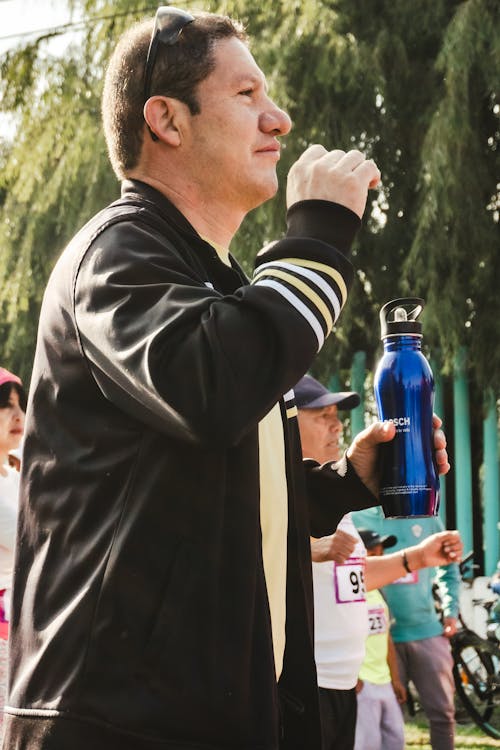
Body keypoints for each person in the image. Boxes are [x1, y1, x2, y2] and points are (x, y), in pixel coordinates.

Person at [295, 374, 460, 750]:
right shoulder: (274, 499)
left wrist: (418, 557)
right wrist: (305, 549)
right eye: (321, 414)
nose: (337, 424)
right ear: (284, 426)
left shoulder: (337, 505)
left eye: (336, 413)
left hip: (342, 684)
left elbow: (352, 576)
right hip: (304, 689)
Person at [353, 506, 460, 750]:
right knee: (387, 719)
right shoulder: (353, 515)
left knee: (443, 714)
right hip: (376, 644)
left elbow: (448, 564)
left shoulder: (423, 512)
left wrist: (450, 610)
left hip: (426, 631)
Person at [354, 529, 406, 750]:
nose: (379, 552)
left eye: (381, 548)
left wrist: (395, 678)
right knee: (368, 744)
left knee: (395, 740)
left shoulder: (379, 591)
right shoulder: (351, 590)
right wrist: (353, 678)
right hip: (362, 684)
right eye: (372, 548)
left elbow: (387, 639)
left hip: (384, 681)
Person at [0, 367, 26, 728]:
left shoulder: (19, 472)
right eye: (6, 407)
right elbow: (26, 537)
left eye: (21, 405)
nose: (19, 415)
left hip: (20, 620)